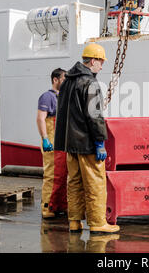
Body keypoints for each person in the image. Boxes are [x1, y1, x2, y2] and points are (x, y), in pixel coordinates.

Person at [54, 43, 120, 234]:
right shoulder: (90, 83)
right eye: (101, 62)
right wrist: (100, 141)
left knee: (74, 182)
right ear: (92, 61)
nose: (102, 66)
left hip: (69, 144)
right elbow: (95, 115)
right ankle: (98, 222)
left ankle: (74, 221)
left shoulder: (67, 81)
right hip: (86, 144)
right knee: (95, 183)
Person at [37, 68, 67, 219]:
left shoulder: (63, 97)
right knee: (51, 175)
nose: (66, 81)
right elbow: (40, 118)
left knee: (63, 175)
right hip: (52, 142)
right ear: (55, 80)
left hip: (63, 144)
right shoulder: (47, 97)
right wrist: (45, 138)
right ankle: (47, 206)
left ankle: (60, 205)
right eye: (63, 79)